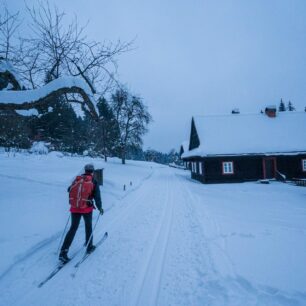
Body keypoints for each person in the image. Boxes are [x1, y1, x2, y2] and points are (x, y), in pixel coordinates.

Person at [59, 163, 104, 263]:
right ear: (92, 171)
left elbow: (69, 189)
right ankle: (89, 246)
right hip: (86, 209)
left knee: (73, 228)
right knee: (88, 227)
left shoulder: (77, 179)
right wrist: (100, 208)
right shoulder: (93, 181)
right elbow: (97, 196)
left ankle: (63, 252)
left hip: (74, 208)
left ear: (85, 170)